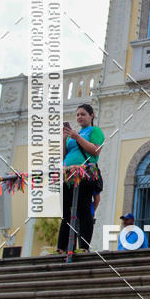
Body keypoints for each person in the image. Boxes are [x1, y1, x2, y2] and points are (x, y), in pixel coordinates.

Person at [57, 104, 104, 254]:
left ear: (91, 115)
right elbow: (63, 156)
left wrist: (77, 137)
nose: (79, 117)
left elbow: (95, 150)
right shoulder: (73, 135)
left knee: (84, 210)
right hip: (68, 175)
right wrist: (64, 139)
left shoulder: (94, 131)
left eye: (83, 114)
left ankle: (84, 246)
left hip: (85, 174)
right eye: (77, 115)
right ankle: (62, 247)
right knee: (66, 212)